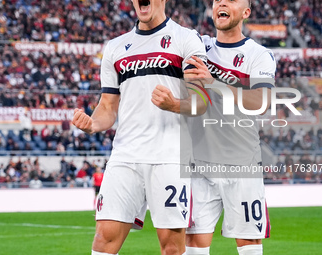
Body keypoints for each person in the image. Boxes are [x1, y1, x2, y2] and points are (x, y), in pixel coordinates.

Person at [71, 1, 207, 254]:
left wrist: (174, 104)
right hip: (125, 156)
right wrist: (92, 124)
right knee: (104, 239)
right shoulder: (115, 47)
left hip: (169, 157)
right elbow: (108, 106)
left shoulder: (187, 39)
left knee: (172, 247)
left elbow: (201, 102)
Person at [182, 0, 276, 254]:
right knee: (193, 244)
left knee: (248, 244)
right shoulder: (199, 46)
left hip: (242, 165)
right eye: (217, 0)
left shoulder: (259, 55)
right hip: (199, 165)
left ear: (246, 13)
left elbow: (261, 101)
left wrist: (213, 83)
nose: (221, 2)